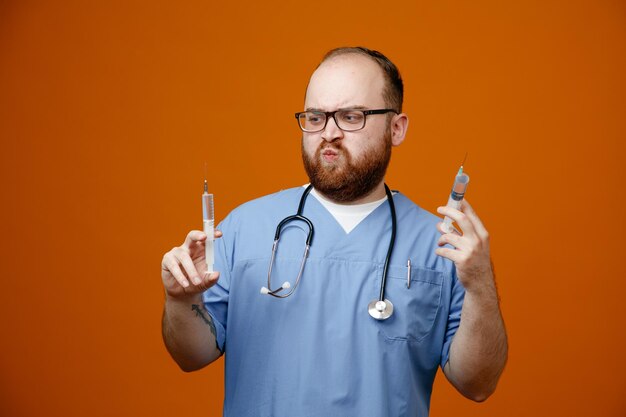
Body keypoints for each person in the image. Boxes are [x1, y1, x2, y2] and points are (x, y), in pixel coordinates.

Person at [161, 47, 507, 417]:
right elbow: (192, 356)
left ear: (397, 128)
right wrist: (180, 300)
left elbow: (478, 384)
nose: (329, 133)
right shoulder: (244, 228)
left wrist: (481, 284)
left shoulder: (439, 245)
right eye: (315, 117)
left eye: (351, 116)